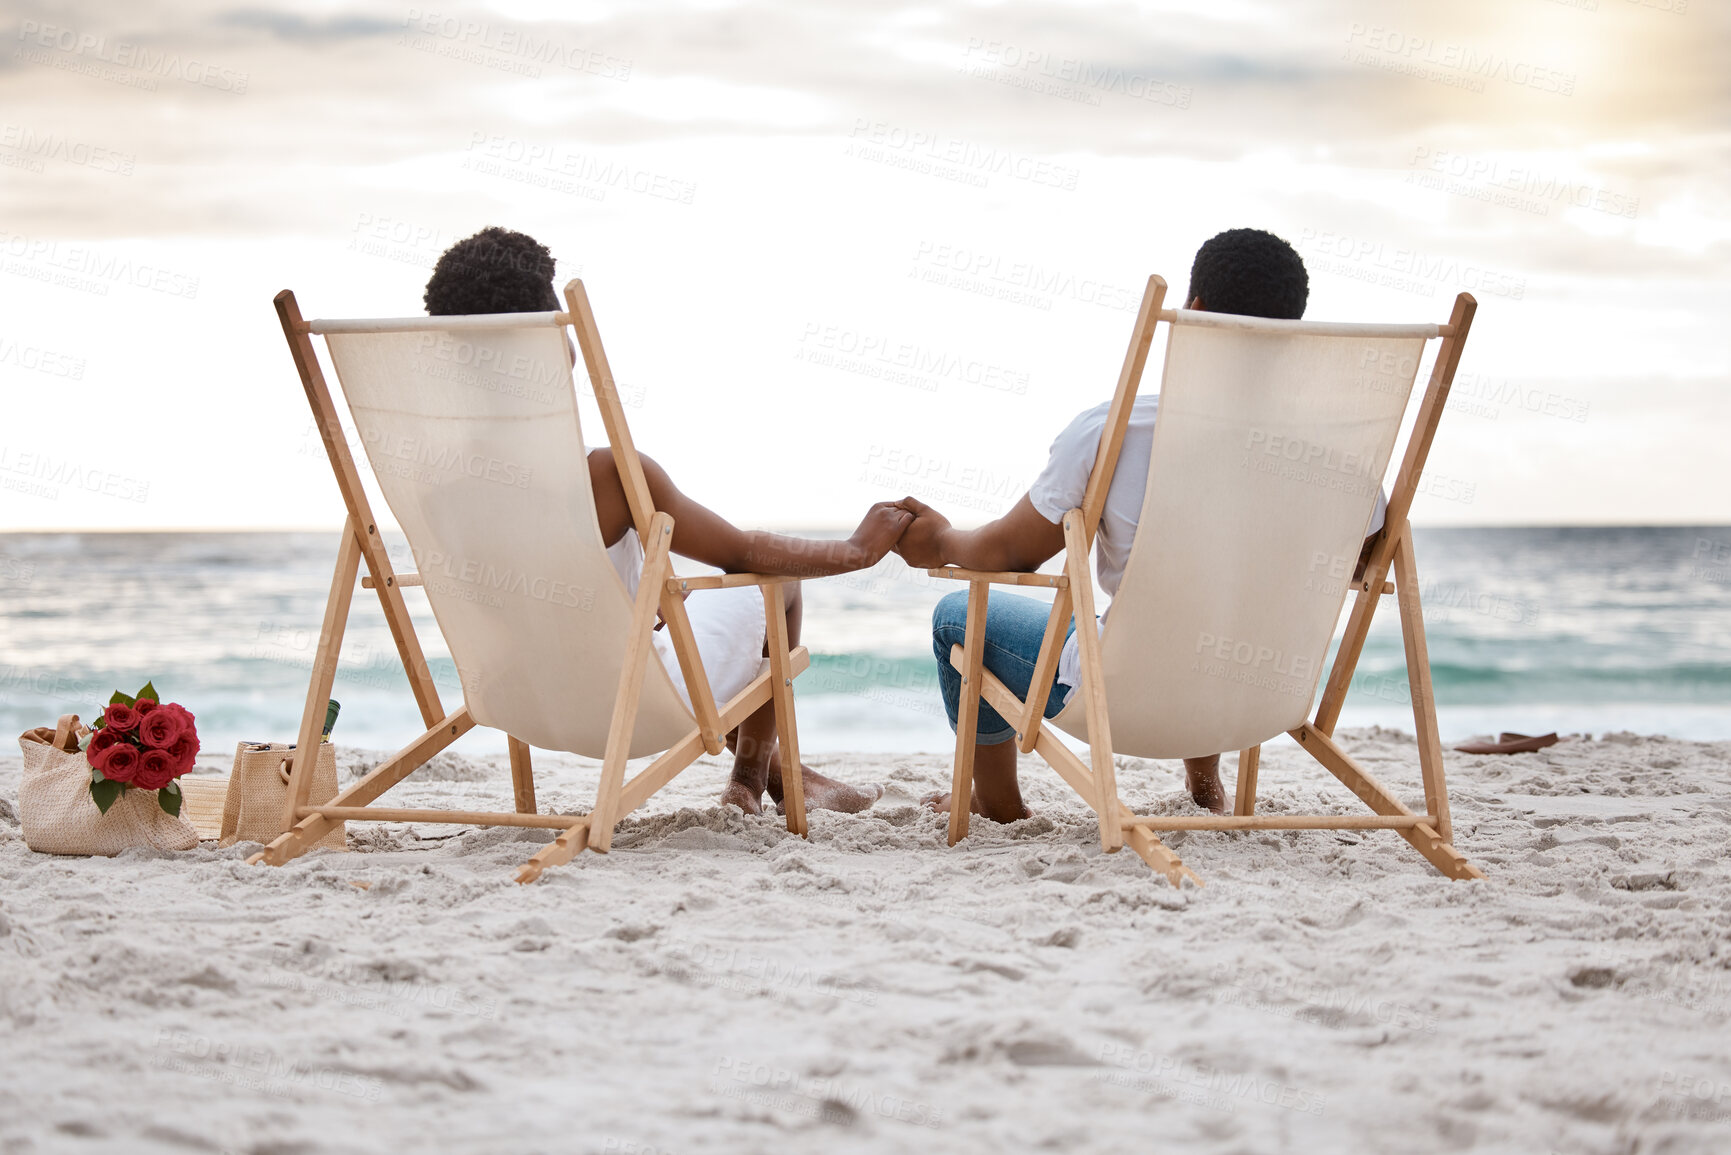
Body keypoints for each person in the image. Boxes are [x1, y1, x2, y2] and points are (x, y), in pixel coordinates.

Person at [892, 228, 1388, 822]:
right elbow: (1359, 559)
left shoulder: (1118, 431)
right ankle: (1206, 785)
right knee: (1218, 598)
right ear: (1292, 337)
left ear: (1193, 313)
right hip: (1263, 700)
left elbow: (1005, 555)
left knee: (957, 616)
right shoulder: (1346, 465)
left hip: (1126, 701)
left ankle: (997, 802)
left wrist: (940, 540)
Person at [424, 226, 905, 816]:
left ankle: (787, 772)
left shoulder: (436, 487)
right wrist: (856, 550)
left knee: (678, 609)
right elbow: (745, 553)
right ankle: (752, 781)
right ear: (555, 340)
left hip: (520, 703)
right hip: (627, 706)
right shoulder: (608, 476)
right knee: (780, 586)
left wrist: (614, 601)